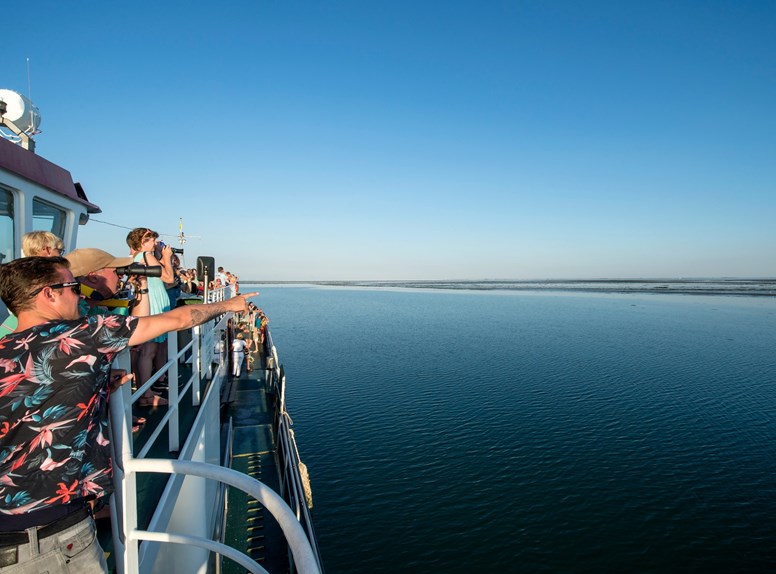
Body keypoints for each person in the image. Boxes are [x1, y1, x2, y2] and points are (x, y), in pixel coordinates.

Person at [0, 255, 256, 572]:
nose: (79, 294)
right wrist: (230, 305)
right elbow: (180, 319)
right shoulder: (83, 336)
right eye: (72, 286)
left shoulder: (5, 350)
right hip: (52, 533)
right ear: (48, 293)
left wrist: (96, 381)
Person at [126, 228, 174, 407]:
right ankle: (146, 395)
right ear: (142, 243)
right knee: (148, 351)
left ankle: (144, 391)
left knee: (146, 351)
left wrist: (161, 258)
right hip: (153, 304)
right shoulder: (146, 256)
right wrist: (167, 257)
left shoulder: (140, 258)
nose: (155, 243)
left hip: (149, 301)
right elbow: (169, 278)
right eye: (152, 240)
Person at [0, 232, 65, 337]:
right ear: (48, 250)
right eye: (60, 251)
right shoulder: (48, 275)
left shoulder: (18, 272)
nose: (61, 256)